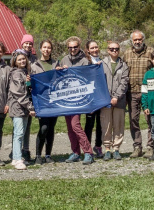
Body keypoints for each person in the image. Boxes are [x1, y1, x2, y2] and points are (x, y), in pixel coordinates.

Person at [57, 36, 94, 165]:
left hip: (79, 98)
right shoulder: (64, 60)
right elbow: (59, 78)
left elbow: (87, 77)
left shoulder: (84, 60)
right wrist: (59, 70)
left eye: (75, 47)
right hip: (66, 98)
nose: (73, 49)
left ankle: (88, 152)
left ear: (79, 47)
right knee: (70, 127)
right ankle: (76, 152)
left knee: (75, 125)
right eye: (70, 47)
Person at [121, 30, 153, 158]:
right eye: (135, 40)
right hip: (132, 92)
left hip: (147, 92)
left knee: (150, 119)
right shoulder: (127, 53)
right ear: (132, 41)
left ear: (143, 39)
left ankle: (151, 146)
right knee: (133, 119)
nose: (137, 42)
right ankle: (137, 146)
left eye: (139, 39)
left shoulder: (150, 51)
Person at [100, 40, 130, 160]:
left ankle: (116, 149)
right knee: (106, 125)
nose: (114, 51)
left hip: (119, 101)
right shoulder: (101, 64)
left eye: (116, 49)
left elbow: (124, 83)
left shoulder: (124, 65)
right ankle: (107, 149)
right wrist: (107, 97)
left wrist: (116, 96)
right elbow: (99, 81)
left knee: (118, 125)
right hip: (105, 100)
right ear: (108, 50)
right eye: (111, 49)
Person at [31, 39, 58, 164]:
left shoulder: (55, 63)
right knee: (44, 128)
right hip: (41, 101)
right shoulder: (34, 65)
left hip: (54, 101)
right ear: (40, 49)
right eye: (44, 47)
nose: (47, 50)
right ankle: (38, 155)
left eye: (49, 48)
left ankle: (48, 155)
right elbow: (29, 84)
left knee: (51, 128)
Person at [8, 50, 36, 170]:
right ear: (15, 62)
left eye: (23, 59)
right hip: (18, 107)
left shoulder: (24, 73)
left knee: (20, 133)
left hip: (23, 108)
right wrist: (30, 106)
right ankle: (18, 159)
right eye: (19, 59)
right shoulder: (15, 74)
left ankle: (15, 157)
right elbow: (19, 93)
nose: (22, 61)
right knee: (19, 134)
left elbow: (27, 89)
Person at [83, 40, 104, 157]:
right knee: (89, 123)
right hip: (90, 97)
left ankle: (98, 146)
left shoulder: (103, 60)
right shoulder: (86, 62)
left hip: (101, 96)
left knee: (100, 123)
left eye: (96, 47)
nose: (95, 50)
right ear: (88, 50)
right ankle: (88, 148)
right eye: (92, 48)